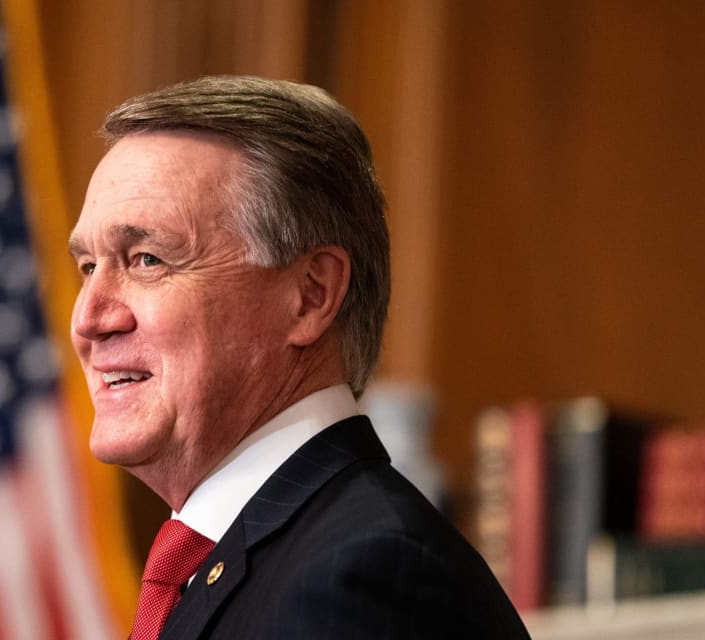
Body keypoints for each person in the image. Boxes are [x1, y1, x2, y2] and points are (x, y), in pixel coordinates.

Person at [68, 75, 529, 639]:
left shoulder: (364, 575)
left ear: (310, 294)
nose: (88, 319)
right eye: (87, 266)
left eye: (147, 259)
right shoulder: (237, 560)